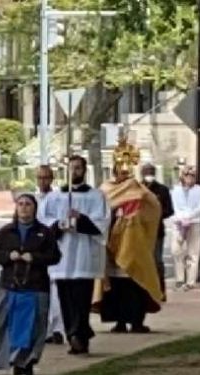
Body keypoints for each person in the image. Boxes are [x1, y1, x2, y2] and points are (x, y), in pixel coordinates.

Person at [39, 155, 109, 355]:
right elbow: (44, 220)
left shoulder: (96, 196)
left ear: (84, 170)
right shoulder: (55, 197)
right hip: (62, 256)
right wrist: (60, 224)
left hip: (84, 255)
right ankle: (74, 335)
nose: (74, 172)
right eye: (71, 168)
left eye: (78, 168)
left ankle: (79, 335)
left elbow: (102, 223)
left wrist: (80, 220)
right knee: (65, 299)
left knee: (81, 299)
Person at [0, 193, 61, 375]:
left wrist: (34, 258)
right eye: (20, 204)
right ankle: (9, 360)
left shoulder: (44, 232)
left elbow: (55, 256)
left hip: (35, 289)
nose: (24, 207)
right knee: (3, 327)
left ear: (34, 208)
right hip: (9, 287)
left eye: (28, 204)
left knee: (32, 329)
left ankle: (25, 364)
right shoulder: (6, 232)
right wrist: (7, 257)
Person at [94, 145, 164, 334]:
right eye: (119, 168)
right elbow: (97, 212)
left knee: (135, 283)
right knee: (116, 286)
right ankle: (119, 321)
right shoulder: (105, 189)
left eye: (126, 168)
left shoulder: (139, 190)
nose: (122, 172)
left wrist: (135, 217)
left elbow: (154, 209)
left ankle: (136, 321)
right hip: (111, 244)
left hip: (134, 244)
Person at [34, 165, 64, 345]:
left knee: (55, 293)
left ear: (51, 179)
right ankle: (42, 331)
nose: (42, 181)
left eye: (46, 178)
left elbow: (60, 222)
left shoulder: (58, 198)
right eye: (39, 178)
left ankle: (57, 329)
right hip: (35, 250)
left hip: (53, 249)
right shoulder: (31, 199)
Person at [141, 163, 174, 299]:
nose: (149, 174)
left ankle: (160, 291)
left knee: (157, 261)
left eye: (151, 171)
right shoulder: (137, 189)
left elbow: (169, 210)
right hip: (140, 231)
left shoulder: (162, 190)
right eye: (146, 171)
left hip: (156, 231)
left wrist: (156, 214)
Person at [170, 165, 200, 291]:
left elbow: (199, 207)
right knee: (176, 251)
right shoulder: (176, 190)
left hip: (194, 223)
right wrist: (181, 219)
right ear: (182, 177)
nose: (189, 178)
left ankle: (190, 281)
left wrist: (189, 217)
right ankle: (179, 279)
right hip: (178, 223)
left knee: (193, 253)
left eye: (192, 176)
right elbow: (175, 206)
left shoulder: (199, 190)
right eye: (187, 176)